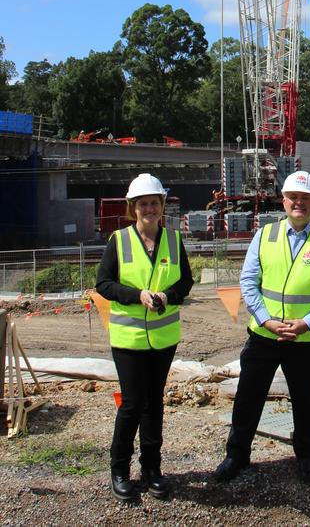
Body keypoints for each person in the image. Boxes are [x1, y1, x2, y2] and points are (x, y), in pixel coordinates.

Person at [214, 170, 310, 484]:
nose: (299, 203)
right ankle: (236, 455)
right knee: (249, 395)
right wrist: (266, 319)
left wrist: (307, 323)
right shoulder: (265, 235)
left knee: (305, 399)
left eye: (305, 198)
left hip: (307, 338)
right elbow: (248, 282)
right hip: (264, 335)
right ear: (283, 201)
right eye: (293, 198)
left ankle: (305, 455)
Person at [95, 173, 194, 502]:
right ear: (133, 208)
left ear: (162, 206)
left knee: (155, 405)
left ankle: (152, 468)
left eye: (154, 203)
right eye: (143, 204)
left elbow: (185, 284)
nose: (149, 208)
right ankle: (119, 469)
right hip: (129, 340)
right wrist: (136, 295)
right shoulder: (119, 241)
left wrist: (167, 296)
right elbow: (103, 284)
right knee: (133, 404)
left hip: (164, 339)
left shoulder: (173, 241)